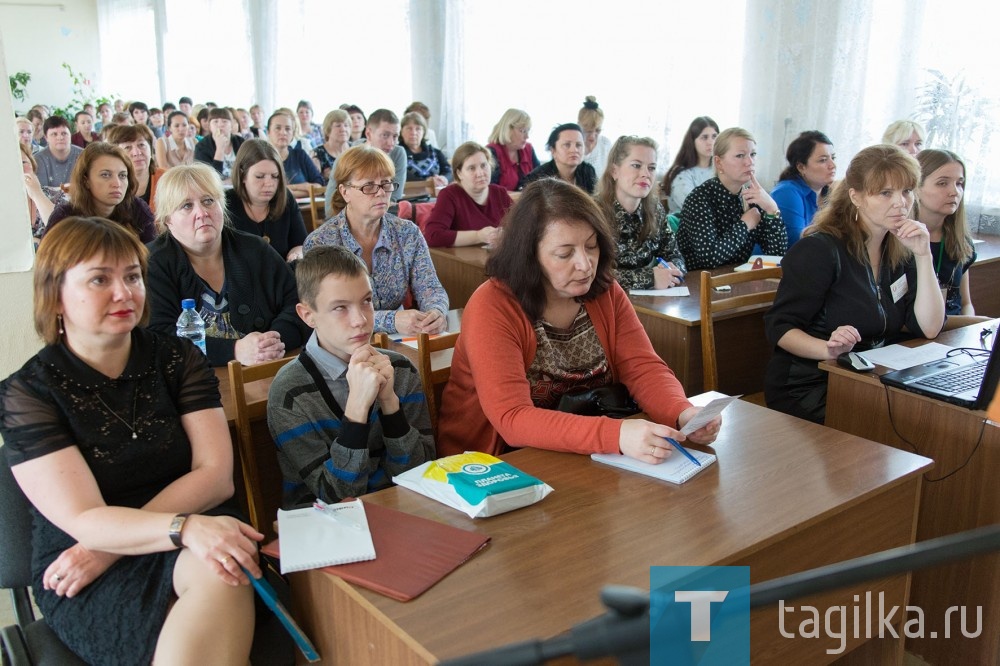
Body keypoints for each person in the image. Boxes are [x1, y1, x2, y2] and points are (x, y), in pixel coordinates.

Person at [0, 216, 262, 665]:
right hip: (81, 561)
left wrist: (158, 536)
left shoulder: (179, 359)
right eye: (100, 279)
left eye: (133, 276)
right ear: (55, 295)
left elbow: (216, 478)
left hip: (175, 529)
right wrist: (173, 529)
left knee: (222, 567)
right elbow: (83, 516)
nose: (124, 293)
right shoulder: (28, 392)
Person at [435, 178, 721, 459]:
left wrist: (682, 413)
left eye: (592, 246)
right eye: (564, 254)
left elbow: (642, 367)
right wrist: (617, 435)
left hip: (582, 448)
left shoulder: (604, 290)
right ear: (529, 256)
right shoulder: (494, 305)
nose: (585, 265)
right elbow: (512, 418)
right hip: (494, 462)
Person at [764, 145, 945, 423]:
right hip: (813, 384)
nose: (901, 203)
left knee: (931, 420)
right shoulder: (819, 250)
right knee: (903, 425)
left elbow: (930, 328)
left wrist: (923, 256)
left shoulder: (900, 248)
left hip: (871, 378)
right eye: (886, 193)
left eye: (907, 191)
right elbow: (780, 327)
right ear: (856, 196)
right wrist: (829, 350)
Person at [267, 245, 434, 509]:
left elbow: (421, 474)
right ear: (307, 315)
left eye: (366, 301)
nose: (360, 320)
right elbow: (336, 496)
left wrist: (390, 403)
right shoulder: (289, 393)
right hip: (321, 527)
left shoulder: (400, 370)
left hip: (400, 512)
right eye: (340, 308)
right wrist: (357, 409)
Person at [147, 163, 309, 367]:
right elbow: (158, 336)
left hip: (267, 368)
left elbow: (297, 301)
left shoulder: (255, 249)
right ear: (168, 220)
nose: (202, 212)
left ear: (222, 206)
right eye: (187, 206)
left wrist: (272, 341)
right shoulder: (153, 262)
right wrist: (235, 350)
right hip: (191, 382)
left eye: (208, 201)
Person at [305, 145, 448, 335]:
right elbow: (331, 313)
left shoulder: (408, 233)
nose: (381, 193)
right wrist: (392, 320)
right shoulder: (320, 242)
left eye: (386, 184)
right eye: (369, 186)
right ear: (345, 192)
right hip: (342, 345)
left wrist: (435, 313)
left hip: (401, 340)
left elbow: (431, 288)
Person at [676, 127, 787, 269]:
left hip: (734, 280)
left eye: (753, 154)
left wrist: (772, 209)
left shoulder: (752, 197)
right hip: (695, 282)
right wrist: (745, 225)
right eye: (740, 156)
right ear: (718, 163)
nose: (749, 162)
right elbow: (709, 259)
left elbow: (776, 255)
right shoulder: (699, 199)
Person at [595, 136, 685, 291]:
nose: (645, 174)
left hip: (650, 303)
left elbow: (675, 255)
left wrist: (672, 269)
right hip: (607, 303)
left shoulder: (655, 209)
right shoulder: (593, 212)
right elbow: (594, 275)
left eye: (651, 168)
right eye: (636, 165)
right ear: (614, 171)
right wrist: (650, 278)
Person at [45, 142, 157, 243]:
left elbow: (152, 259)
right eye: (105, 175)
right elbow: (47, 263)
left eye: (122, 175)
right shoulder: (65, 217)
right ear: (86, 180)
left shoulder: (137, 208)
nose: (117, 183)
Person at [914, 149, 977, 317]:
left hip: (954, 335)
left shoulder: (960, 240)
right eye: (942, 183)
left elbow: (965, 304)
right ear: (916, 188)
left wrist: (972, 325)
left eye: (959, 183)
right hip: (912, 338)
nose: (955, 192)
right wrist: (971, 323)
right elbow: (899, 319)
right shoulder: (899, 240)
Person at [226, 139, 307, 262]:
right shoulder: (226, 203)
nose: (269, 183)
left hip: (283, 277)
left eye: (275, 176)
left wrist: (295, 255)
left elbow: (300, 244)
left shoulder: (286, 198)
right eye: (260, 176)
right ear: (242, 175)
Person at [422, 141, 514, 248]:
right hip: (462, 262)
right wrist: (478, 236)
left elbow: (523, 225)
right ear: (459, 173)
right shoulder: (449, 195)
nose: (480, 173)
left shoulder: (499, 193)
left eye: (484, 165)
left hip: (498, 257)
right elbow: (432, 236)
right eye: (472, 168)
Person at [323, 109, 407, 218]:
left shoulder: (398, 153)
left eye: (395, 136)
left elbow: (394, 198)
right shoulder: (347, 157)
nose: (391, 143)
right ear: (368, 133)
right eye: (385, 135)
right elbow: (329, 207)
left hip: (384, 218)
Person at [770, 131, 837, 245]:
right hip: (772, 262)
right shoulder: (786, 192)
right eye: (823, 160)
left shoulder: (832, 193)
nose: (833, 165)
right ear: (801, 167)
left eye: (833, 158)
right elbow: (798, 244)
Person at [662, 116, 720, 214]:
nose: (711, 142)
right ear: (692, 141)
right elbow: (696, 210)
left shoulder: (720, 170)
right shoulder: (681, 175)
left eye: (714, 136)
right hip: (687, 226)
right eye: (704, 137)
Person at [266, 108, 325, 198]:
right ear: (268, 132)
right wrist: (305, 187)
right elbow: (269, 193)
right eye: (278, 128)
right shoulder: (262, 158)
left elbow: (318, 188)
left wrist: (289, 190)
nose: (283, 132)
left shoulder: (300, 155)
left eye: (288, 129)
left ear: (293, 134)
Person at [523, 123, 597, 194]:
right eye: (567, 145)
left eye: (578, 145)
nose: (574, 150)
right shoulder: (538, 177)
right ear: (553, 150)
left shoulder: (588, 171)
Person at [106, 123, 165, 212]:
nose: (137, 152)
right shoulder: (109, 184)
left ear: (151, 149)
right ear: (115, 155)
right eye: (128, 147)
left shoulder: (167, 178)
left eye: (141, 145)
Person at [18, 142, 67, 241]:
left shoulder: (57, 195)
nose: (19, 168)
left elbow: (62, 232)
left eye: (23, 162)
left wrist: (37, 194)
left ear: (32, 164)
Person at [486, 108, 540, 192]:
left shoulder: (528, 149)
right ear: (508, 129)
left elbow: (540, 179)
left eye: (528, 131)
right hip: (502, 204)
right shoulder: (492, 152)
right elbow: (490, 191)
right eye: (523, 131)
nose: (527, 136)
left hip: (527, 203)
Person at [400, 111, 450, 188]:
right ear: (401, 131)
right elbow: (399, 177)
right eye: (409, 129)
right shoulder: (397, 154)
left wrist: (444, 178)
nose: (413, 133)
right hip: (409, 197)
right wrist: (427, 182)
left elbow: (449, 171)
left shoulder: (435, 152)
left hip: (435, 196)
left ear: (424, 132)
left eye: (418, 129)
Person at [193, 107, 245, 181]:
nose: (220, 125)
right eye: (215, 121)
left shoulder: (241, 142)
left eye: (224, 121)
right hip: (215, 189)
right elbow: (207, 178)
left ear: (231, 125)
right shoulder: (201, 147)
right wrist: (220, 149)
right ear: (210, 126)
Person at [34, 116, 84, 188]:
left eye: (64, 133)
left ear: (70, 135)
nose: (60, 138)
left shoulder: (83, 155)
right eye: (54, 134)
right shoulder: (38, 160)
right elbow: (41, 191)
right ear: (46, 138)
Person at [312, 109, 352, 180]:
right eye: (338, 126)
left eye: (346, 125)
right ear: (328, 130)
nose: (343, 129)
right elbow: (315, 184)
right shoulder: (317, 153)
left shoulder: (356, 150)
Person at [579, 96, 612, 175]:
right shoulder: (572, 145)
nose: (593, 136)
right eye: (588, 131)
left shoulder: (605, 144)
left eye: (598, 130)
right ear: (579, 126)